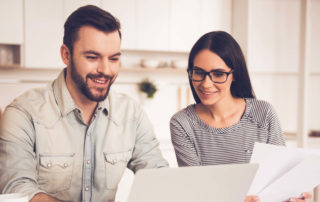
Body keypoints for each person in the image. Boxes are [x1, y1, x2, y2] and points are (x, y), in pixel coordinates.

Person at [0, 5, 168, 202]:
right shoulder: (23, 113)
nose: (105, 70)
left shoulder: (130, 113)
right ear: (66, 55)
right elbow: (18, 190)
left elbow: (159, 177)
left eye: (113, 58)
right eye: (92, 57)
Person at [170, 31, 311, 202]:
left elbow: (280, 181)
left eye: (218, 74)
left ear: (235, 74)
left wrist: (294, 197)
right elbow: (196, 193)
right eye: (198, 72)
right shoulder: (182, 124)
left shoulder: (263, 114)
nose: (206, 83)